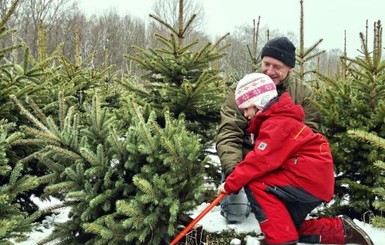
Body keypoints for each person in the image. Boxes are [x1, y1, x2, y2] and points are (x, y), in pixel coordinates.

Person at [218, 72, 374, 245]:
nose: (246, 114)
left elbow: (259, 161)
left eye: (247, 108)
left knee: (256, 183)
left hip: (308, 179)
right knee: (285, 224)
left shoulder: (277, 123)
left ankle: (281, 241)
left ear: (259, 103)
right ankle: (342, 230)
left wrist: (231, 183)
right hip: (313, 181)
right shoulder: (277, 120)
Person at [216, 36, 319, 224]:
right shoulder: (241, 90)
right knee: (235, 214)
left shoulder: (303, 94)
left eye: (277, 67)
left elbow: (309, 136)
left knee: (282, 218)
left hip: (283, 164)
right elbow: (229, 134)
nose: (269, 71)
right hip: (246, 161)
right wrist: (234, 172)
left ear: (290, 69)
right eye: (266, 64)